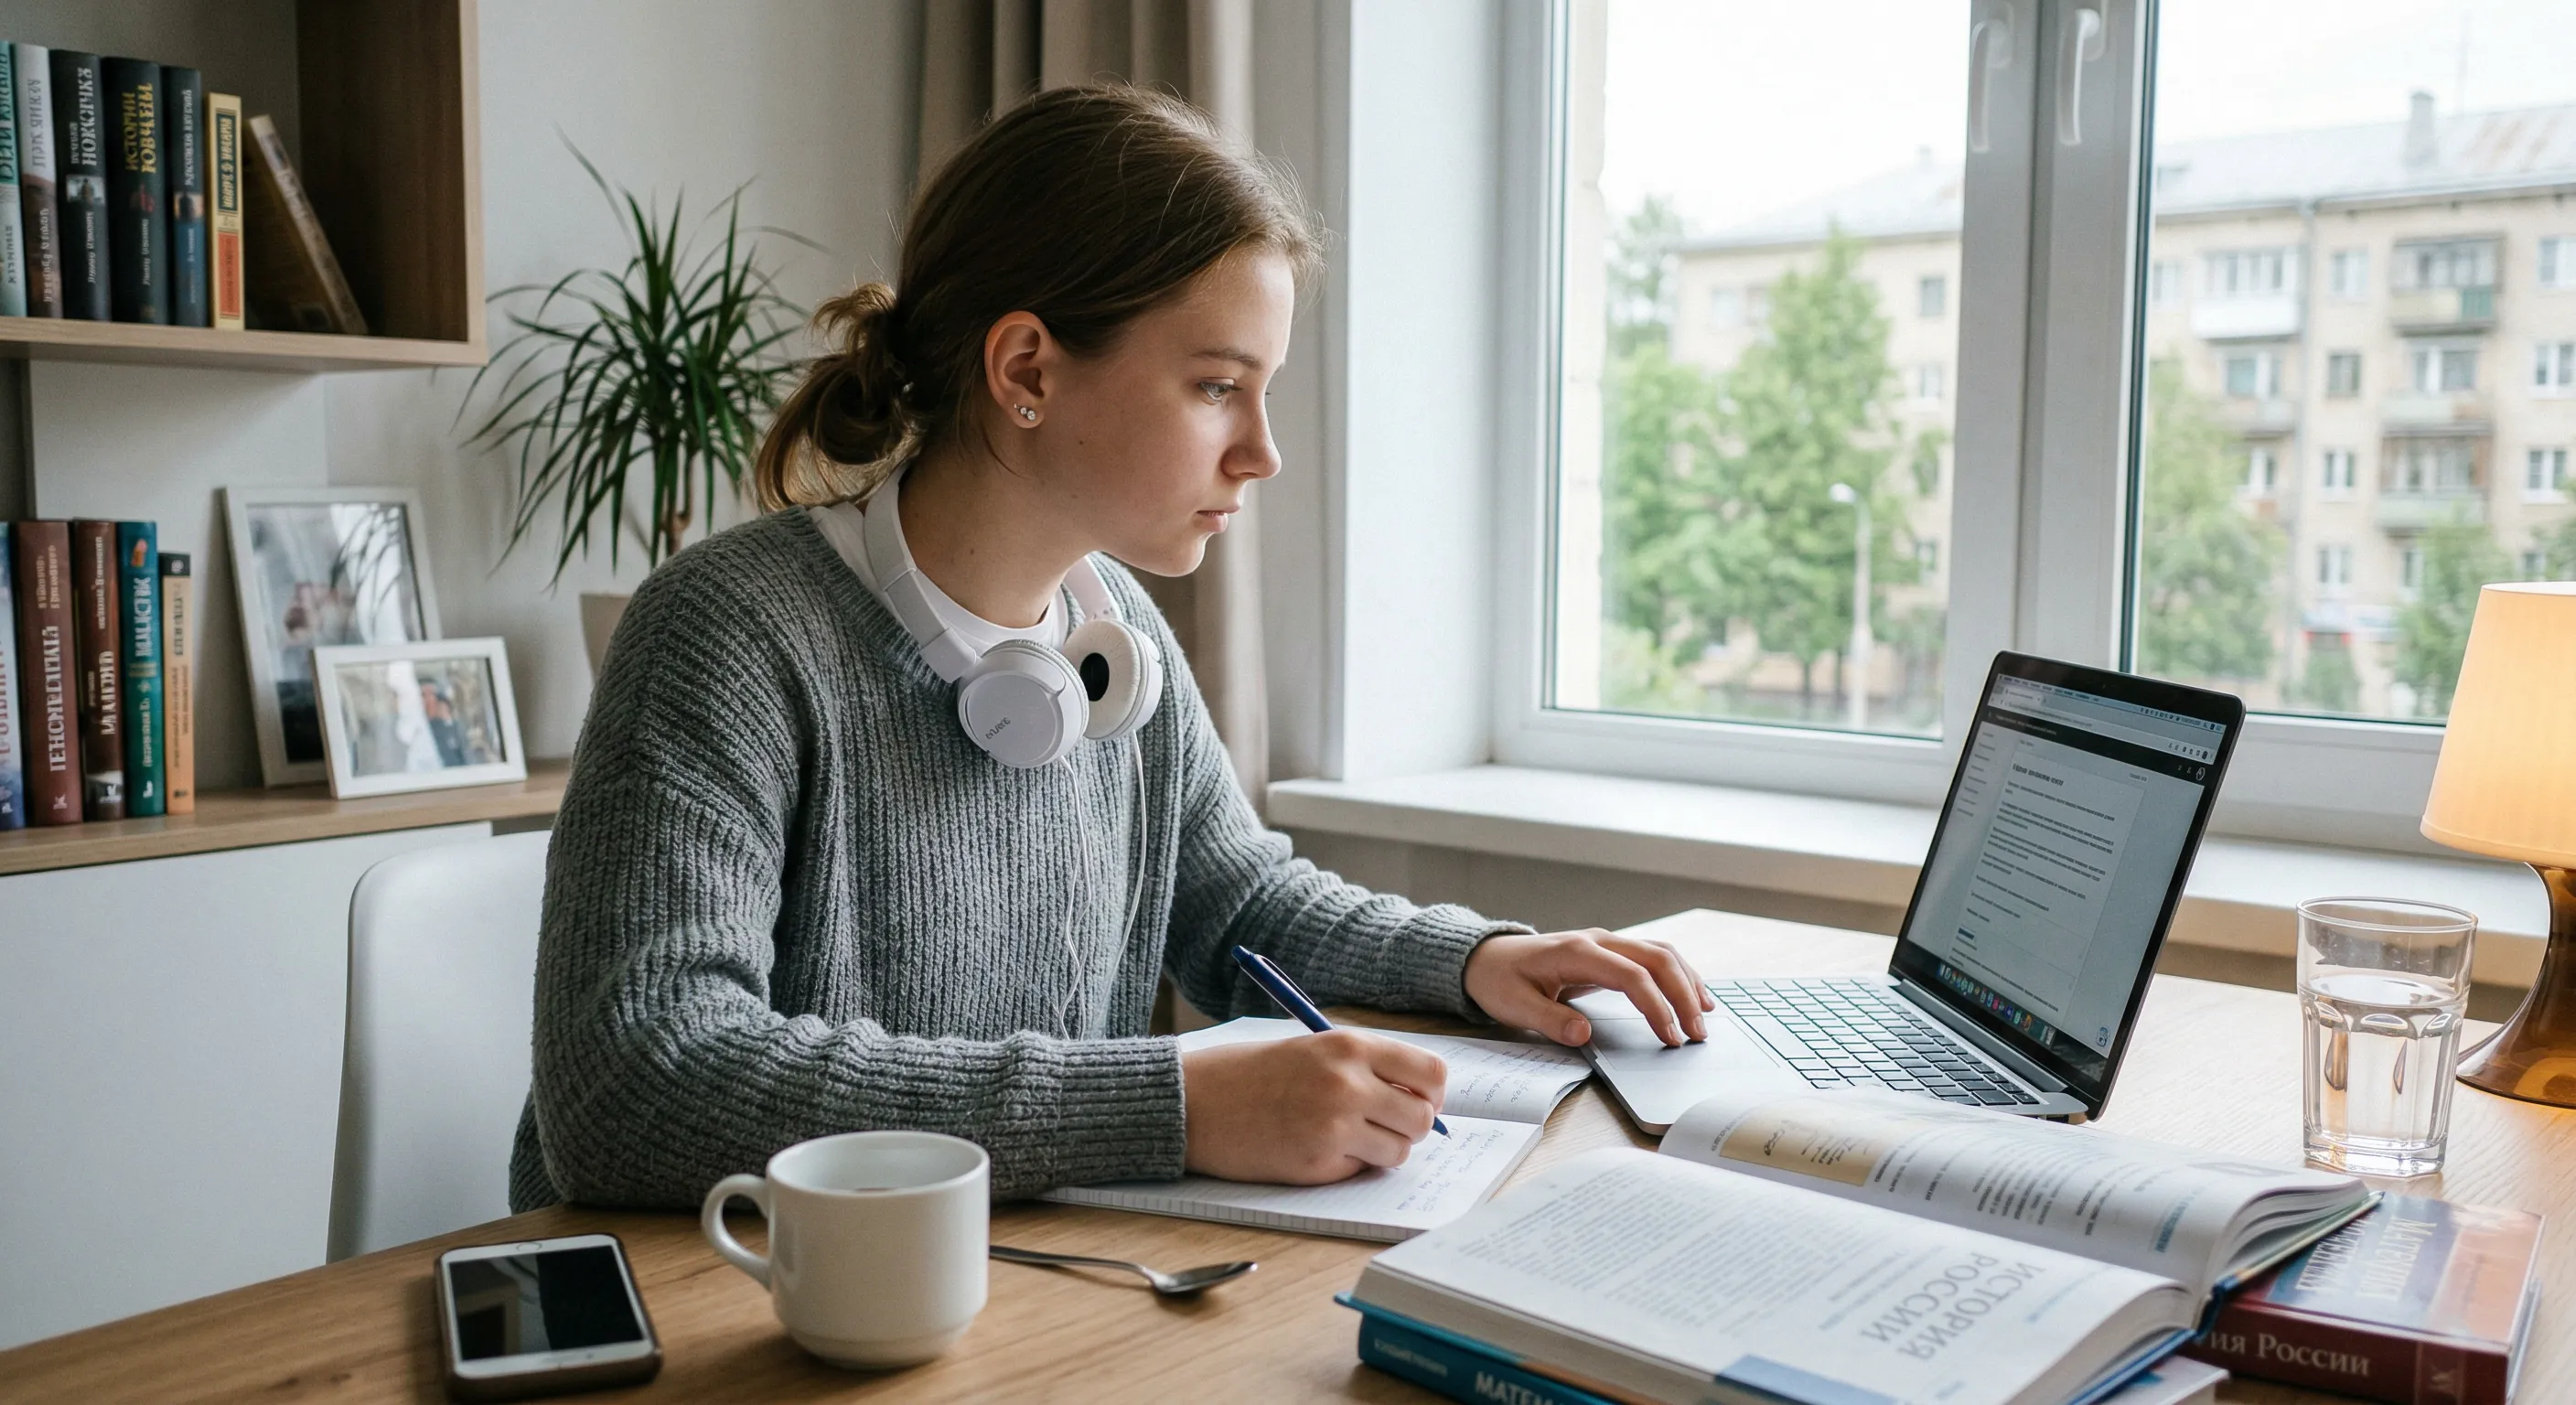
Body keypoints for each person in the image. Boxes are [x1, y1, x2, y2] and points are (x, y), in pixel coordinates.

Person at [510, 84, 1711, 1212]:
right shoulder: (723, 638)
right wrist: (1170, 1106)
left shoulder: (1114, 630)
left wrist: (1478, 959)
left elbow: (1238, 902)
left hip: (1012, 1283)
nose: (1262, 453)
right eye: (1215, 388)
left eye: (1264, 391)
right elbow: (637, 1085)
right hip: (727, 1303)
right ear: (1027, 368)